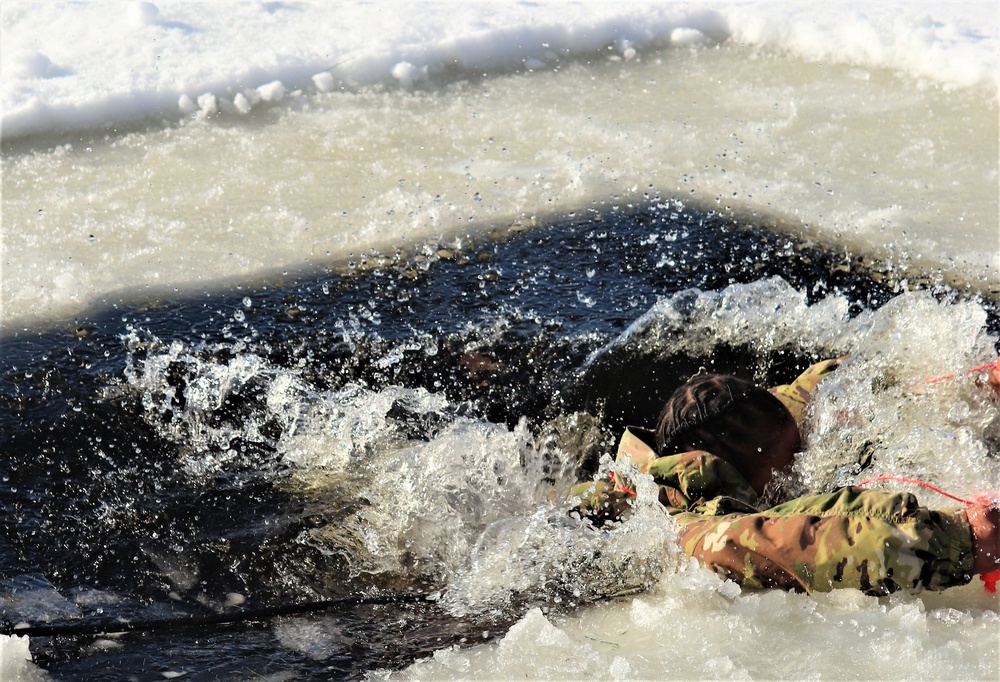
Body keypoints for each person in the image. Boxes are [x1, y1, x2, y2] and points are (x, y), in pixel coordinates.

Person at [570, 358, 1000, 595]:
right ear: (739, 474)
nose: (801, 466)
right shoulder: (690, 532)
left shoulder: (760, 419)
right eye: (791, 459)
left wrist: (974, 388)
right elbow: (796, 540)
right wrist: (961, 541)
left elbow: (828, 385)